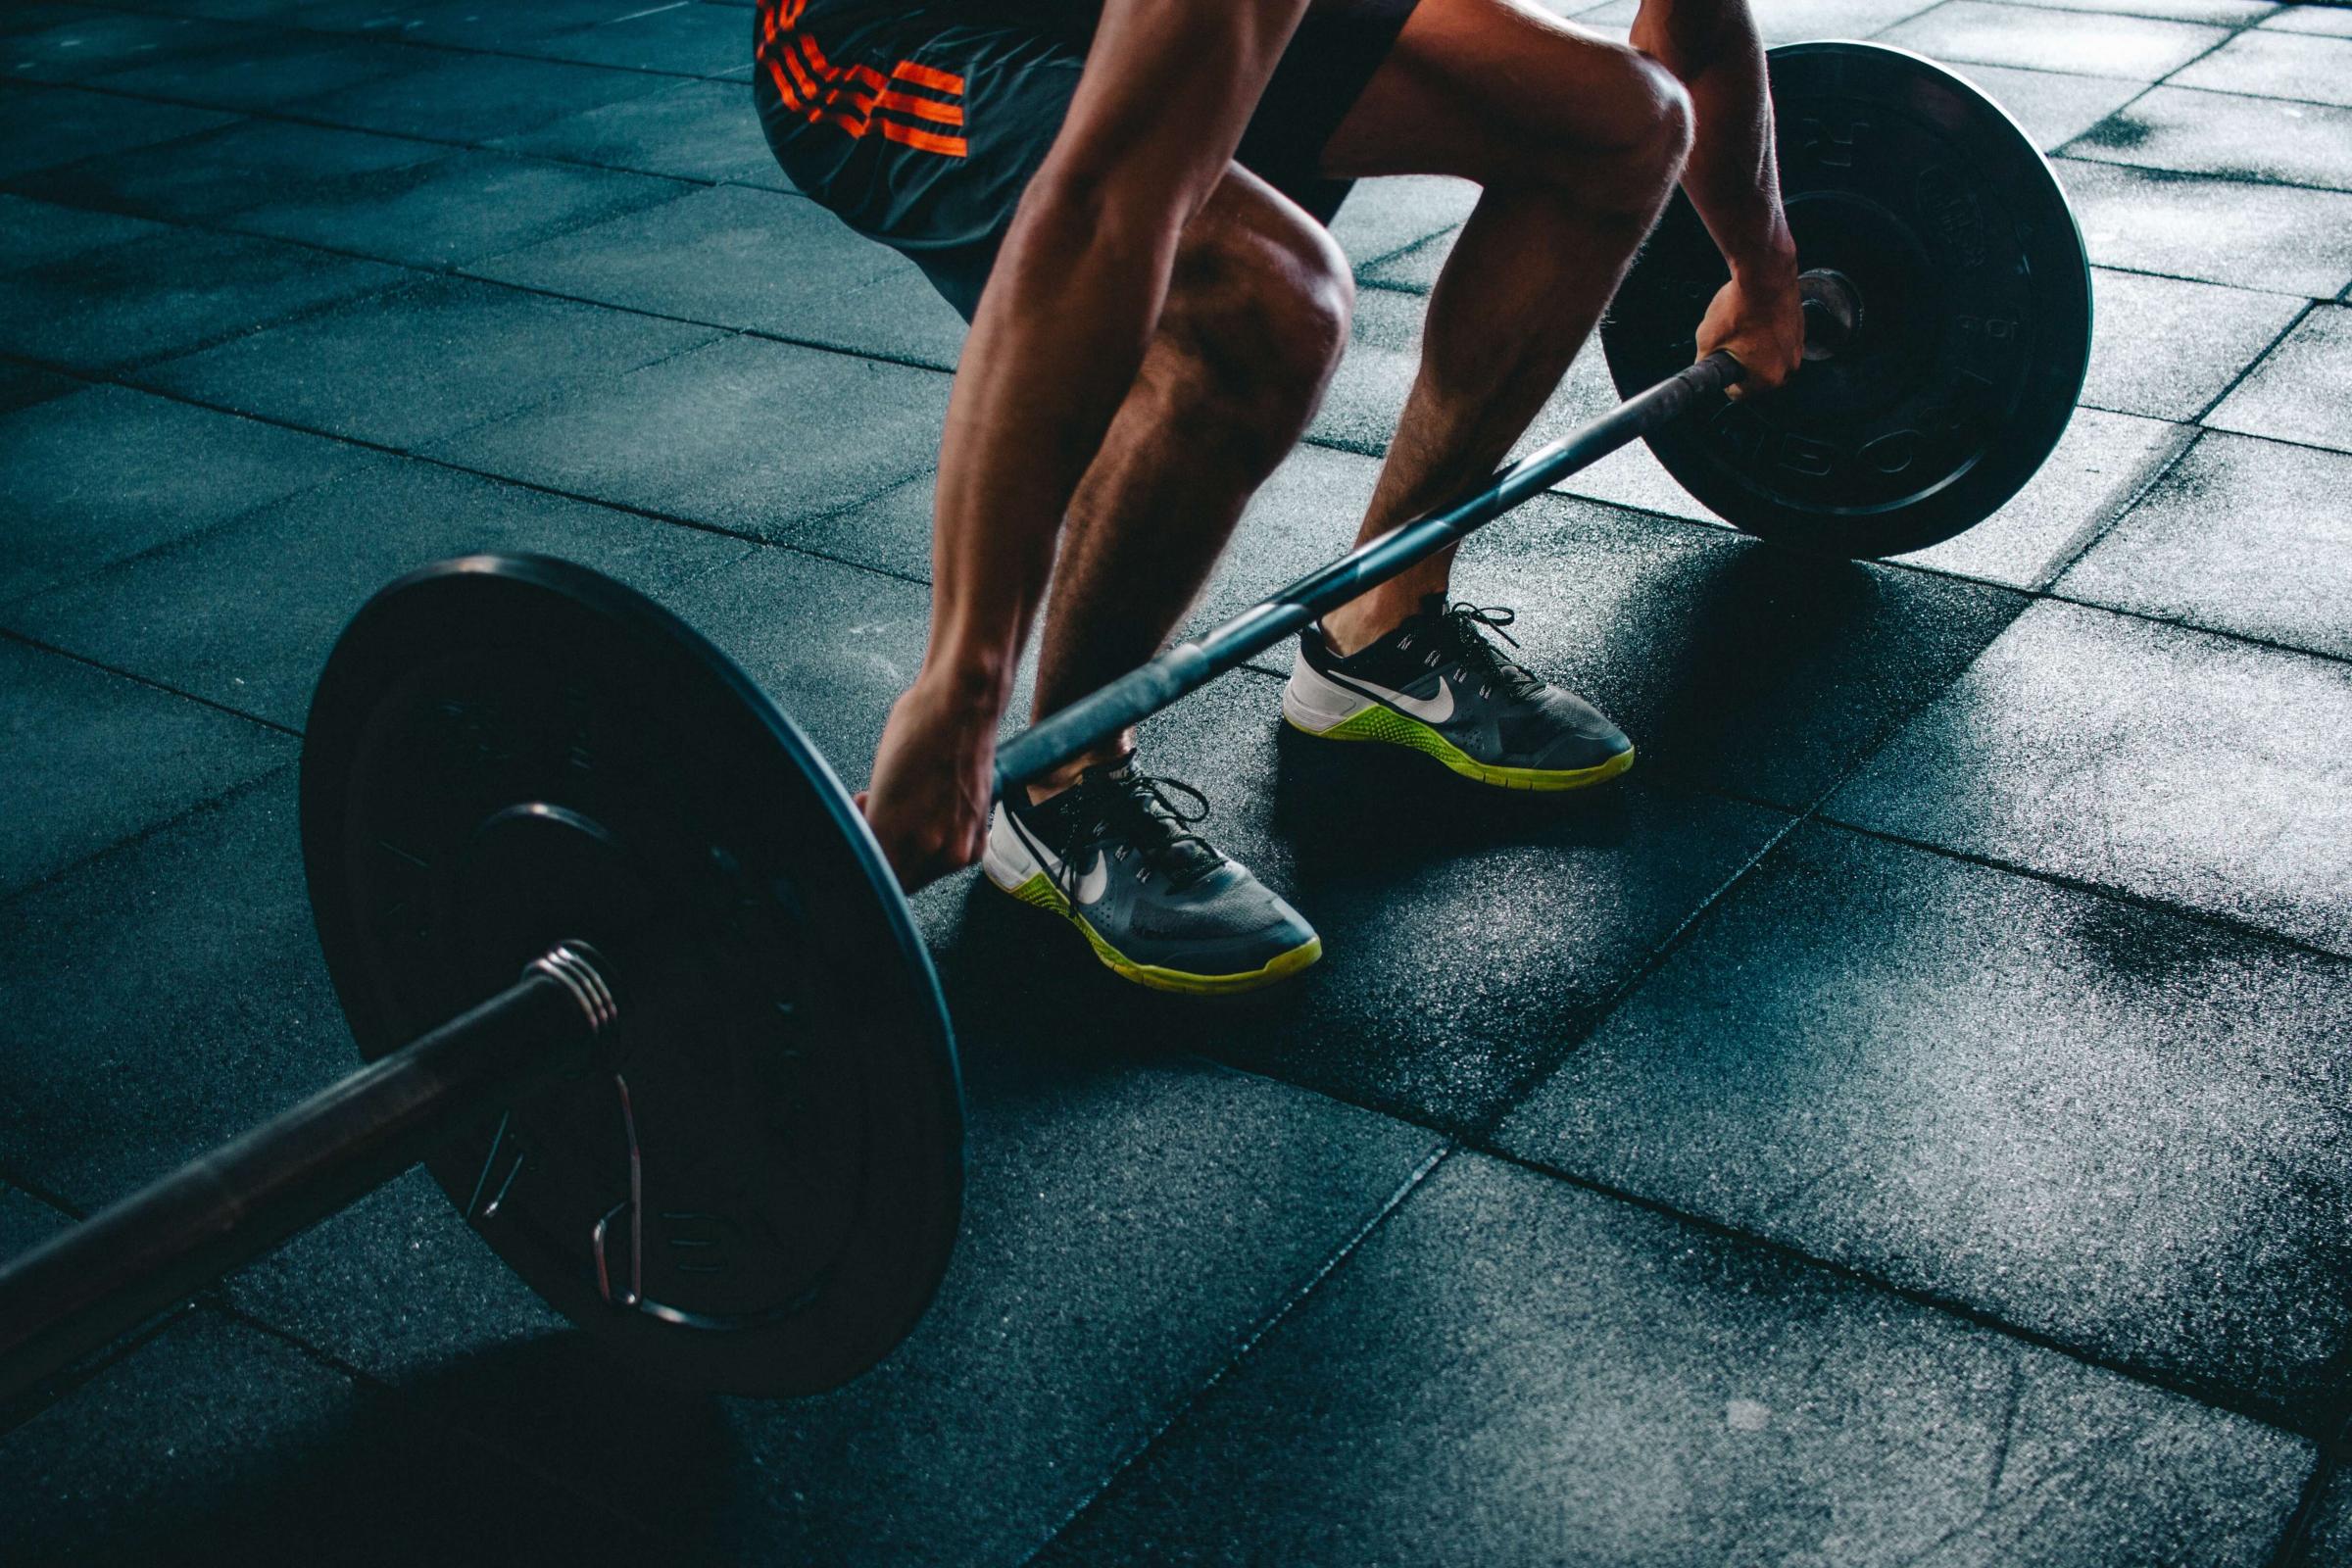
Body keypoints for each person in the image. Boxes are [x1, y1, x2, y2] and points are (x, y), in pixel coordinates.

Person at [754, 0, 1803, 993]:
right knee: (1267, 299)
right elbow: (1106, 208)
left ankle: (1379, 624)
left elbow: (1695, 36)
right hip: (894, 33)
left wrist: (1764, 273)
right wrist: (962, 687)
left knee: (1621, 124)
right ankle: (1061, 782)